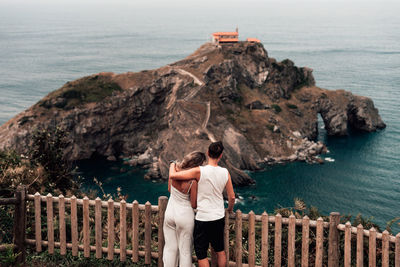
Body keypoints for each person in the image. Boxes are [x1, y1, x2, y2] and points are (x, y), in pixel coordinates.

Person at [169, 141, 235, 267]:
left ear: (208, 153)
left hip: (203, 218)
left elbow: (173, 175)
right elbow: (231, 197)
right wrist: (229, 209)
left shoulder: (199, 171)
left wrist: (172, 164)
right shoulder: (225, 172)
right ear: (221, 156)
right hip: (218, 217)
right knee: (220, 251)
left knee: (201, 253)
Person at [163, 151, 206, 267]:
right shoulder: (192, 181)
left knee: (170, 248)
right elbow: (193, 204)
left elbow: (169, 189)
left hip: (170, 213)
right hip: (185, 217)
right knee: (185, 251)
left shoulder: (174, 169)